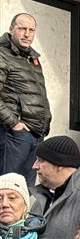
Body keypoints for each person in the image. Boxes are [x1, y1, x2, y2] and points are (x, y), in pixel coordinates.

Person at [0, 13, 50, 184]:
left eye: (31, 30)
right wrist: (14, 123)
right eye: (22, 29)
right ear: (11, 29)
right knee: (8, 189)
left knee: (24, 192)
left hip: (36, 134)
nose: (27, 34)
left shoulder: (32, 58)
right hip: (15, 134)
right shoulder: (3, 54)